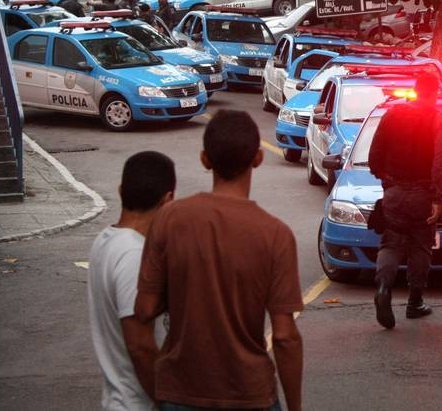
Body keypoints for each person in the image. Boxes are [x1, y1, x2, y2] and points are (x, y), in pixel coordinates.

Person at [135, 111, 303, 411]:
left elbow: (144, 309)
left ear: (205, 159)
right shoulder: (276, 235)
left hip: (180, 392)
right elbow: (285, 337)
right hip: (249, 394)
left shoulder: (170, 219)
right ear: (258, 159)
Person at [88, 151, 175, 411]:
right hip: (138, 404)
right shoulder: (134, 254)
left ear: (120, 190)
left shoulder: (105, 240)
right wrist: (166, 404)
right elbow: (140, 346)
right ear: (168, 200)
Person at [368, 71, 442, 329]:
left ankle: (383, 287)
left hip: (393, 191)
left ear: (415, 90)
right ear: (435, 93)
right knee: (420, 246)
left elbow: (375, 154)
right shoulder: (439, 120)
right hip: (422, 194)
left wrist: (387, 180)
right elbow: (441, 161)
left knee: (391, 243)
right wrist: (437, 196)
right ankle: (415, 303)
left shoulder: (392, 114)